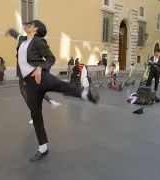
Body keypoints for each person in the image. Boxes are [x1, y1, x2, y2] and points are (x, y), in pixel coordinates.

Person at [6, 20, 99, 162]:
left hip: (40, 76)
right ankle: (43, 148)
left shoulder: (38, 41)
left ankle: (87, 95)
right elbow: (16, 35)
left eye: (30, 24)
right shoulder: (23, 40)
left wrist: (39, 68)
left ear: (35, 29)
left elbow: (51, 58)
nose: (26, 25)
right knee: (35, 114)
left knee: (61, 85)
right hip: (30, 82)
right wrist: (11, 31)